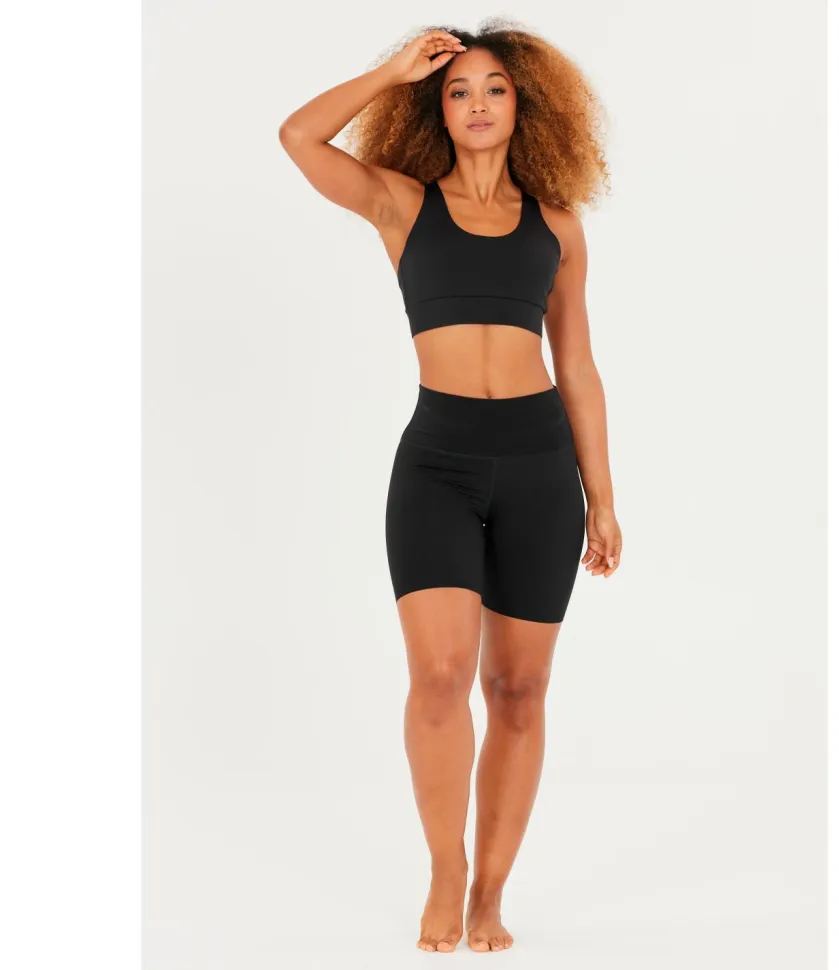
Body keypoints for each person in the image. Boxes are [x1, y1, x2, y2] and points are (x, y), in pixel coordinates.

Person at [279, 18, 622, 954]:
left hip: (541, 467)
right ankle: (445, 868)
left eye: (495, 88)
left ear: (525, 106)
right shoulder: (401, 204)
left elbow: (577, 366)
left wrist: (601, 493)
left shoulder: (557, 227)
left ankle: (491, 894)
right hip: (437, 463)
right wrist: (392, 71)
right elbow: (299, 137)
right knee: (438, 680)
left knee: (519, 688)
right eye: (458, 89)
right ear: (435, 108)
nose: (476, 103)